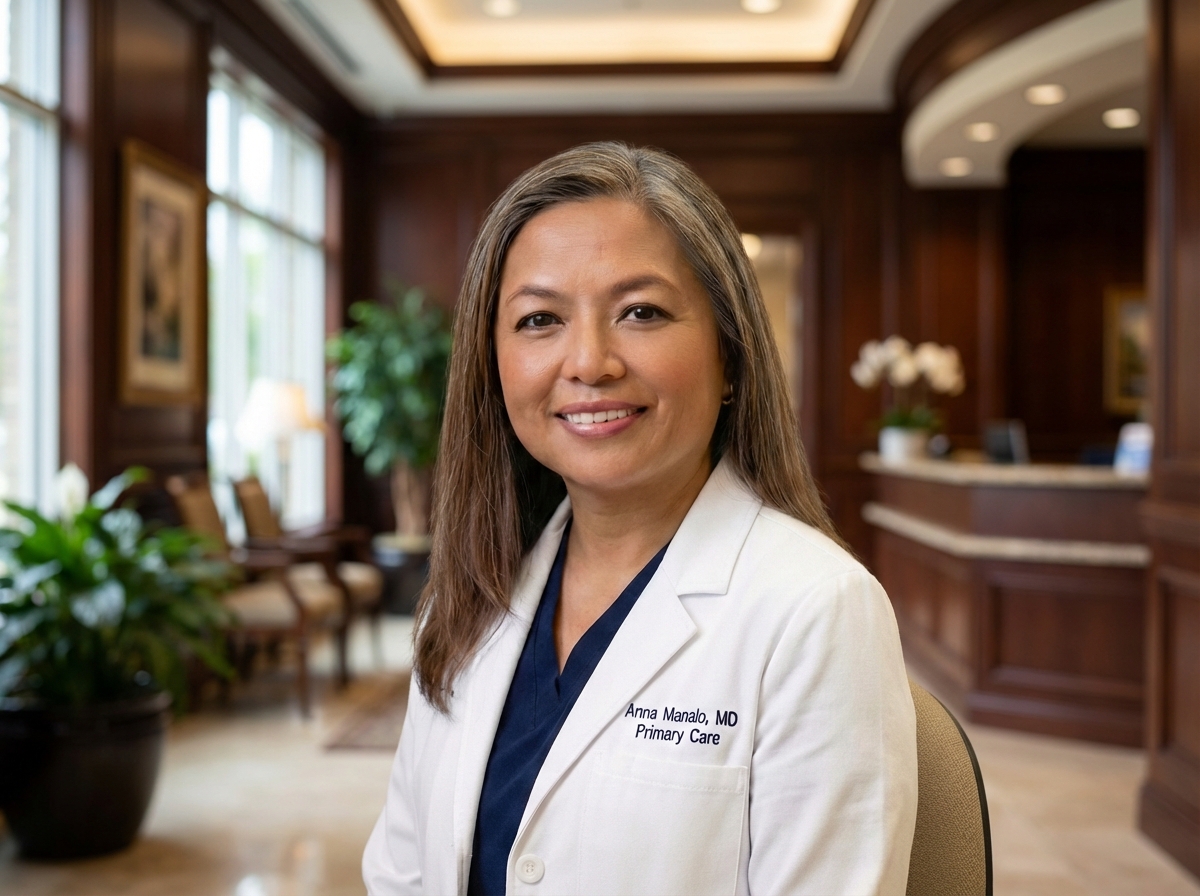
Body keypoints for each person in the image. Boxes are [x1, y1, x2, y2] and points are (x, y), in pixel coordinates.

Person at [363, 142, 917, 896]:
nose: (589, 361)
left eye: (641, 312)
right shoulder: (465, 594)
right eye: (539, 320)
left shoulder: (817, 610)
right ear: (491, 366)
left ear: (731, 356)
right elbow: (401, 874)